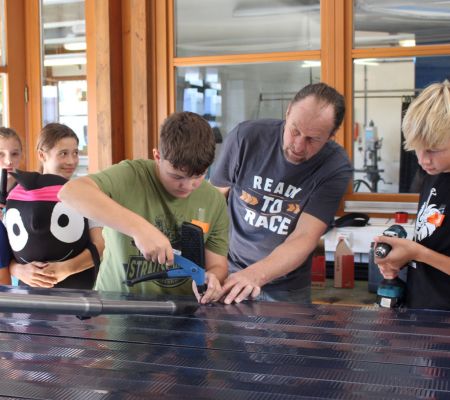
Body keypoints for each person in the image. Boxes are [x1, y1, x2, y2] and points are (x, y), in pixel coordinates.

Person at [59, 111, 229, 304]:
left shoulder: (214, 200)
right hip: (116, 309)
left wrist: (212, 278)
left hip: (184, 316)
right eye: (177, 177)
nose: (188, 185)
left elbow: (218, 265)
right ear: (157, 156)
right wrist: (140, 229)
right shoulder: (131, 175)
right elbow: (71, 192)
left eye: (198, 176)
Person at [210, 82, 353, 304]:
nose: (298, 145)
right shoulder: (246, 138)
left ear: (331, 135)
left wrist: (255, 275)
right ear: (287, 112)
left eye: (312, 139)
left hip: (287, 288)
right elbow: (213, 203)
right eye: (295, 130)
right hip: (229, 271)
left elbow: (304, 236)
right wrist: (212, 265)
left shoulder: (334, 166)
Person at [374, 80, 450, 310]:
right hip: (423, 308)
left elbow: (426, 253)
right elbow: (435, 247)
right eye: (418, 148)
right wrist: (401, 257)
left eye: (434, 150)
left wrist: (417, 252)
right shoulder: (432, 176)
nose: (423, 159)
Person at [7, 123, 104, 289]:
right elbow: (6, 251)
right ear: (42, 155)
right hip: (27, 296)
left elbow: (100, 246)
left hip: (77, 295)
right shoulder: (19, 196)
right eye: (63, 154)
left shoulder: (85, 195)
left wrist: (65, 269)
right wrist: (18, 270)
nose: (71, 161)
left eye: (75, 153)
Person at [0, 127, 23, 210]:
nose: (9, 161)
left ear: (21, 155)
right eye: (1, 154)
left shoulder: (30, 191)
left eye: (14, 154)